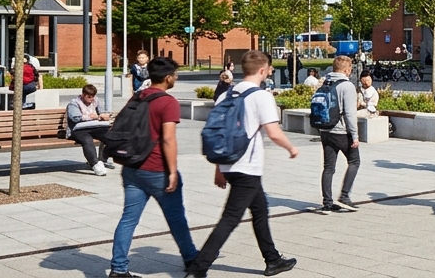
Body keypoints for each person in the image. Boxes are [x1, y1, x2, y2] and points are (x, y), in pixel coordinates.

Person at [187, 50, 299, 278]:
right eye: (269, 69)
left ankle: (273, 259)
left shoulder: (227, 94)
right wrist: (291, 148)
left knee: (260, 210)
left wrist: (219, 169)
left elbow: (221, 134)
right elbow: (273, 132)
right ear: (262, 70)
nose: (269, 72)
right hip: (247, 166)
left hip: (230, 164)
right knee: (230, 218)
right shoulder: (261, 96)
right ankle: (198, 268)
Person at [108, 56, 199, 278]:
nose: (176, 78)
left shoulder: (138, 97)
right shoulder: (167, 102)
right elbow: (168, 139)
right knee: (176, 217)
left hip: (132, 167)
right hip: (157, 168)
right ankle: (191, 259)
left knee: (128, 218)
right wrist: (172, 172)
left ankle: (118, 269)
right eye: (175, 75)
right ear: (168, 78)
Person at [316, 56, 360, 215]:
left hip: (325, 130)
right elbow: (349, 113)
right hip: (341, 131)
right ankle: (344, 196)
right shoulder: (347, 86)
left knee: (328, 168)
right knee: (354, 161)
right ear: (347, 70)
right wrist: (354, 135)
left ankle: (327, 203)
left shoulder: (325, 82)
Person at [65, 84, 114, 175]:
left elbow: (101, 112)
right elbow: (75, 118)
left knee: (109, 136)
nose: (91, 99)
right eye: (89, 97)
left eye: (93, 97)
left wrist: (105, 115)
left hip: (94, 127)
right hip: (77, 129)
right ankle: (94, 164)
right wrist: (93, 117)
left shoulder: (96, 100)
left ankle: (102, 160)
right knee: (87, 140)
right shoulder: (74, 103)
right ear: (83, 94)